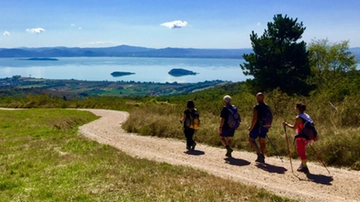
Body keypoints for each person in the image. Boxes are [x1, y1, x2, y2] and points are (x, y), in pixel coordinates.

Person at [282, 103, 312, 173]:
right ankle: (303, 164)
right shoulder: (306, 115)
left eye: (295, 107)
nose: (295, 108)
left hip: (301, 136)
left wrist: (286, 124)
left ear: (298, 109)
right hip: (307, 136)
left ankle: (304, 167)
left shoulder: (298, 117)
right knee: (303, 150)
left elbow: (294, 127)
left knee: (301, 151)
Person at [248, 92, 269, 164]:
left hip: (257, 127)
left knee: (251, 140)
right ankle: (262, 155)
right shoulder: (267, 106)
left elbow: (255, 118)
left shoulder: (256, 107)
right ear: (263, 98)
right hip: (264, 127)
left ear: (257, 98)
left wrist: (251, 127)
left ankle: (259, 154)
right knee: (262, 142)